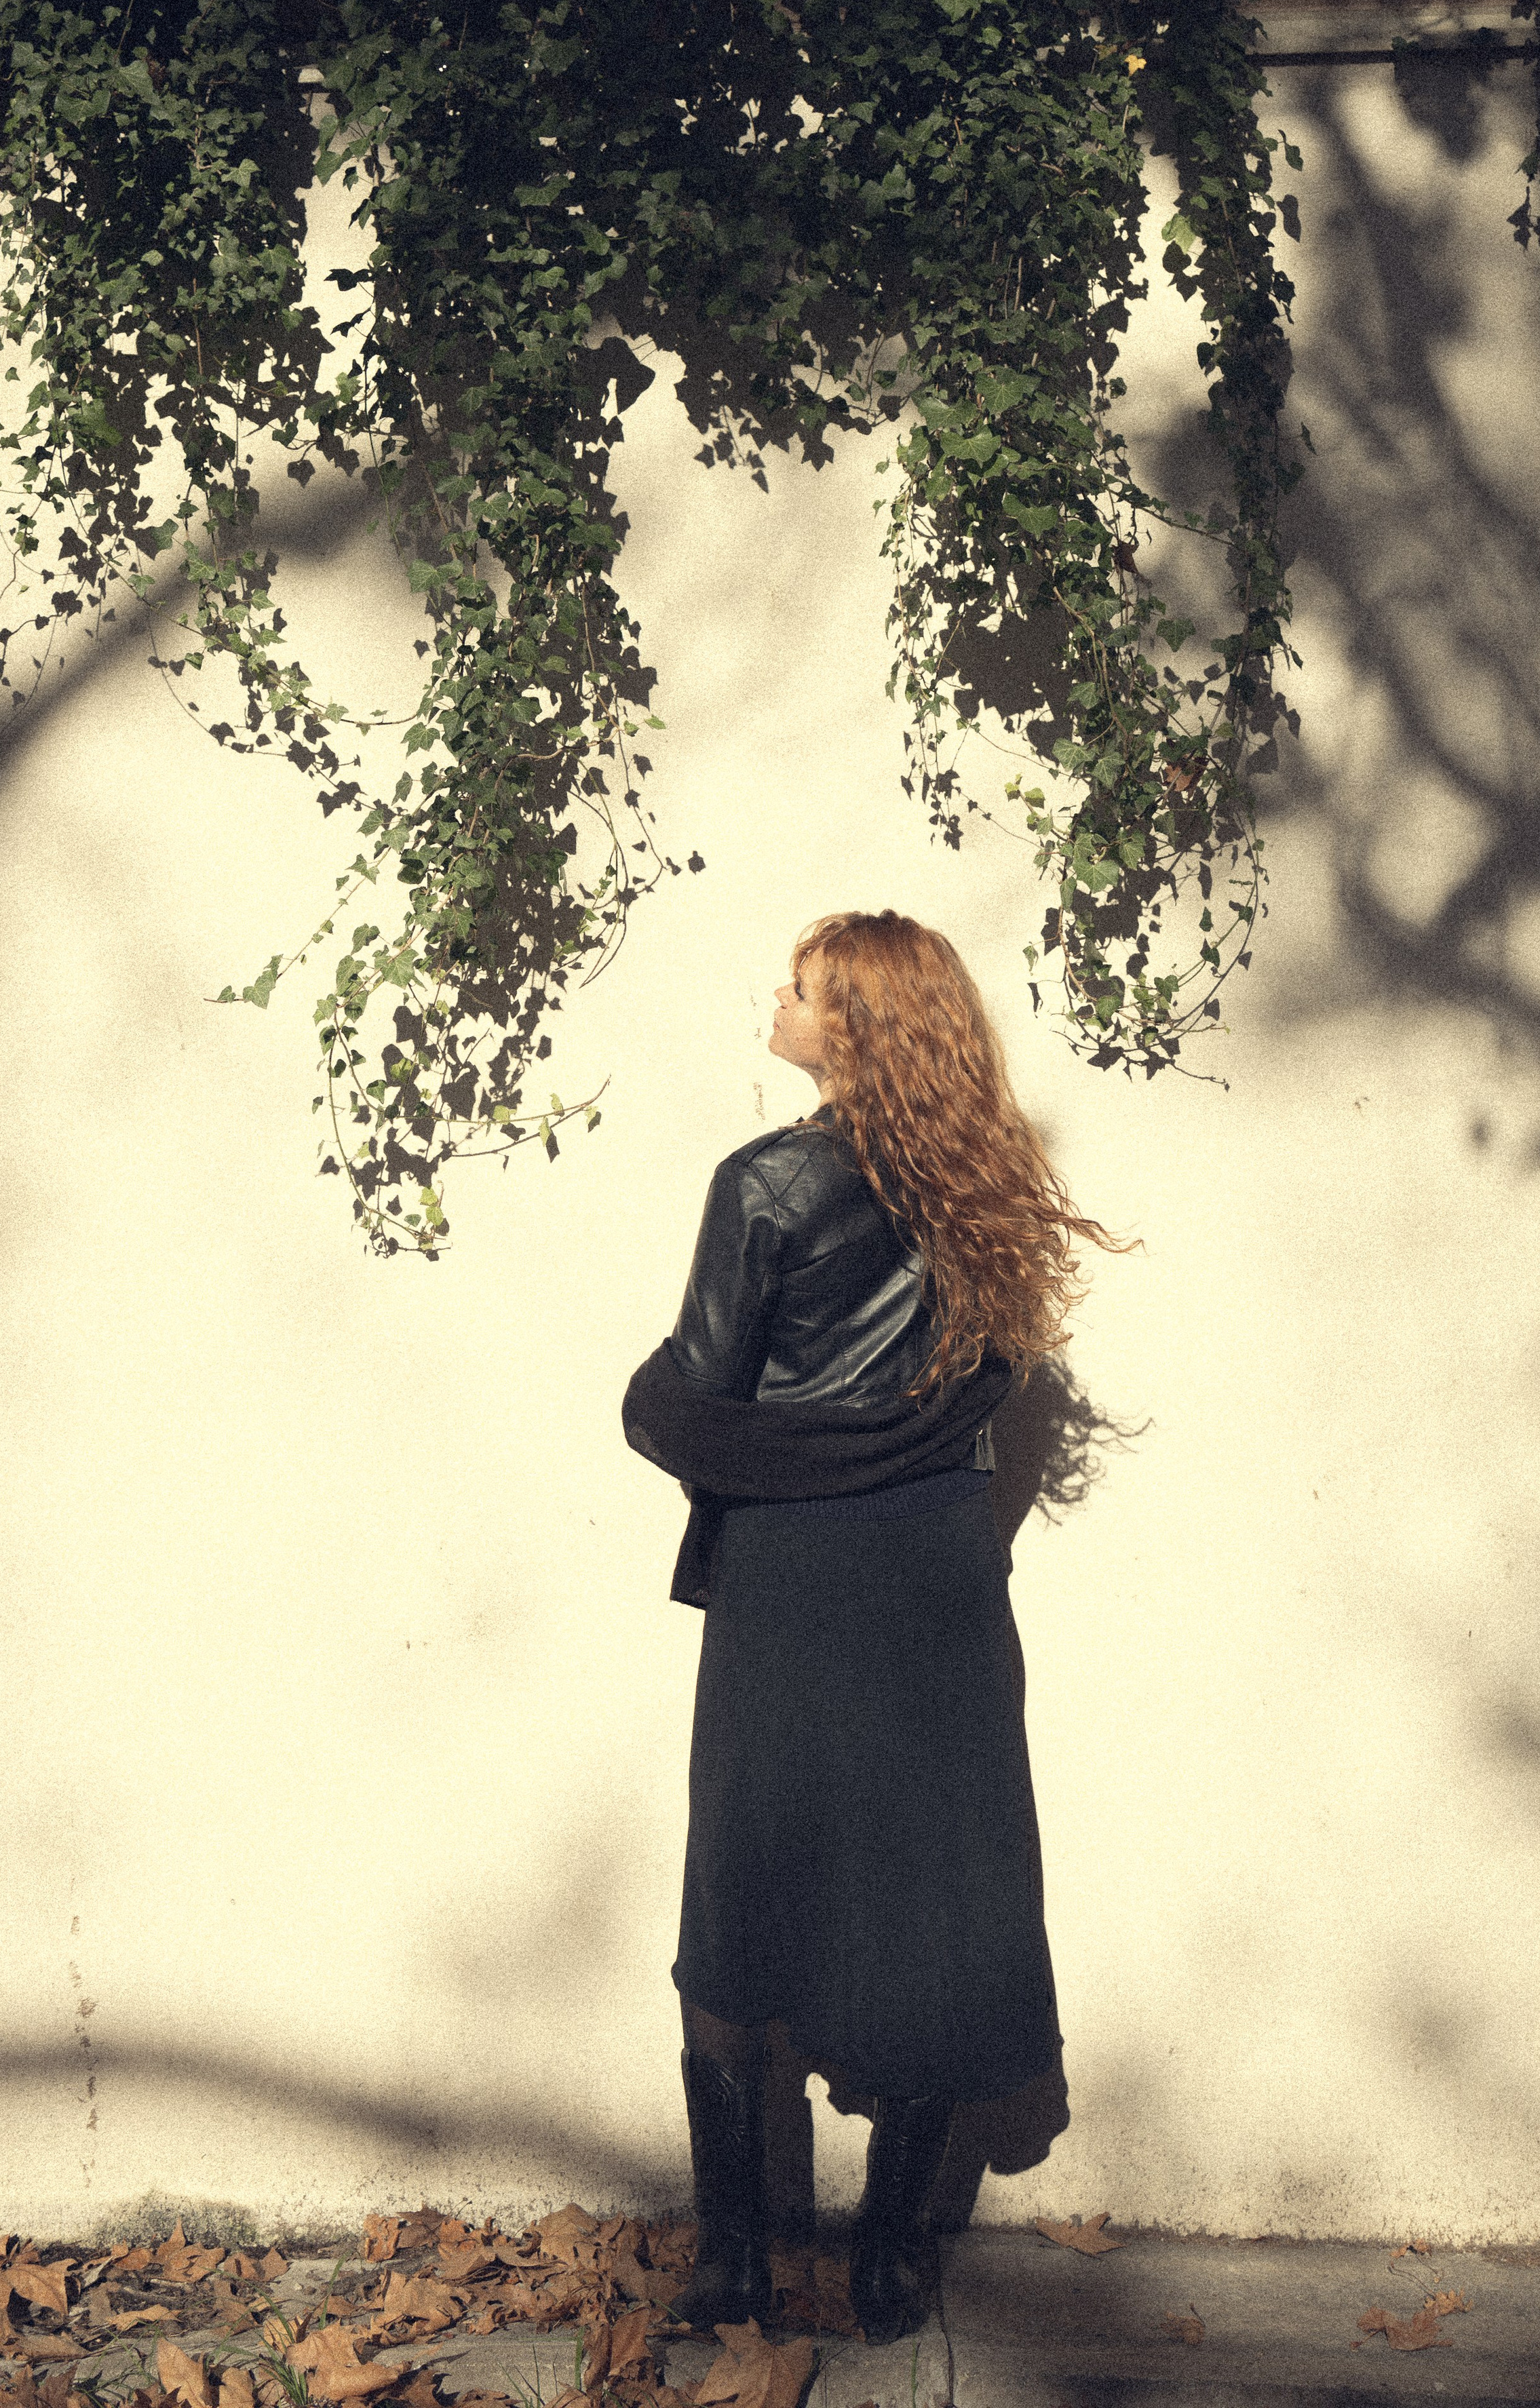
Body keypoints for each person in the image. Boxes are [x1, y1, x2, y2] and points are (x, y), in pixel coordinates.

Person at [622, 910, 1118, 2345]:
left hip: (790, 1581)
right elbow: (983, 1384)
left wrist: (649, 1402)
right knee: (931, 1895)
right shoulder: (986, 1182)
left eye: (797, 986)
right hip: (935, 1580)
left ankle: (733, 2258)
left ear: (850, 1024)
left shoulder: (766, 1182)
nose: (773, 999)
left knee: (741, 1887)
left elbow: (696, 1398)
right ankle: (891, 2260)